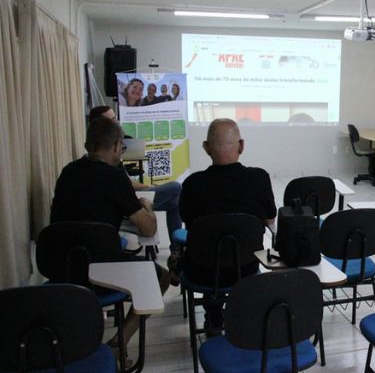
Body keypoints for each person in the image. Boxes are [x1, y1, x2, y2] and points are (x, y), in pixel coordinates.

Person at [50, 117, 170, 351]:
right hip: (104, 272)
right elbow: (148, 229)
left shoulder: (68, 172)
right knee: (161, 278)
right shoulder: (114, 177)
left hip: (62, 268)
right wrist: (147, 207)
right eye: (122, 148)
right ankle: (118, 344)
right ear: (116, 146)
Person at [178, 118, 277, 331]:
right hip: (247, 268)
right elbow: (270, 219)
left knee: (209, 250)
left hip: (202, 270)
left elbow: (189, 224)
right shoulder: (259, 178)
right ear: (241, 146)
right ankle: (239, 314)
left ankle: (213, 313)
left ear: (206, 148)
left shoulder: (192, 184)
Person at [87, 106, 182, 240]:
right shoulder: (112, 172)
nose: (117, 122)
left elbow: (126, 182)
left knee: (174, 203)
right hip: (126, 205)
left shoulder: (70, 171)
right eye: (113, 120)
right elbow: (149, 229)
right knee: (176, 187)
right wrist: (148, 198)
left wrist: (148, 187)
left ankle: (176, 249)